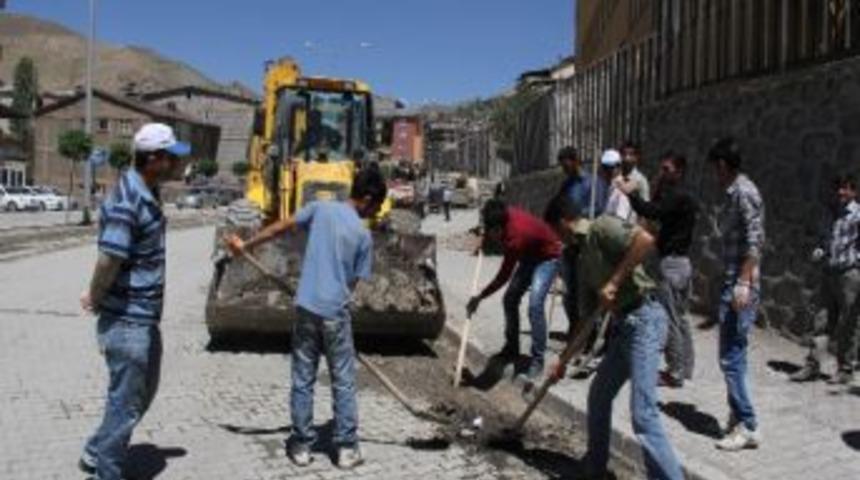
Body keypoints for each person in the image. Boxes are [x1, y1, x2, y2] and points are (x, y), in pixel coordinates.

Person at [225, 168, 387, 469]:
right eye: (376, 207)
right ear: (367, 199)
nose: (375, 213)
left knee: (303, 379)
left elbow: (279, 228)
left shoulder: (320, 209)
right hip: (336, 314)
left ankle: (301, 445)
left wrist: (246, 246)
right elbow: (351, 286)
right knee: (343, 382)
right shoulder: (363, 236)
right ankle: (347, 449)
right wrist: (335, 297)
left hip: (307, 309)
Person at [78, 123, 189, 480]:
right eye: (171, 156)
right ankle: (105, 472)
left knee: (141, 394)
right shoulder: (128, 199)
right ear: (154, 158)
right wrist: (94, 296)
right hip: (127, 321)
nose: (177, 163)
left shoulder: (147, 191)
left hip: (143, 318)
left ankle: (96, 451)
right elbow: (109, 258)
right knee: (125, 405)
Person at [546, 195, 684, 480]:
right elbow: (584, 321)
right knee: (599, 395)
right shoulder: (582, 259)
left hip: (646, 317)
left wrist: (615, 281)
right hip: (624, 328)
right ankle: (595, 468)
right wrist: (562, 360)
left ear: (562, 223)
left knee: (642, 414)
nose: (555, 238)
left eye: (554, 231)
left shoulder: (602, 227)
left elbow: (645, 240)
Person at [622, 152, 699, 388]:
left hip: (673, 265)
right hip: (680, 264)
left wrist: (631, 194)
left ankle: (675, 372)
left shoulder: (678, 197)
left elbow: (652, 212)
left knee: (672, 319)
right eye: (661, 169)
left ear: (679, 171)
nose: (662, 173)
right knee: (681, 318)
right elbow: (656, 207)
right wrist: (655, 186)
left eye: (666, 170)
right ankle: (685, 367)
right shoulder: (679, 196)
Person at [708, 137, 765, 451]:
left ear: (722, 165)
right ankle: (737, 416)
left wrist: (743, 283)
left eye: (714, 169)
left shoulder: (744, 192)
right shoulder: (735, 192)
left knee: (731, 356)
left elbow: (756, 242)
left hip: (741, 284)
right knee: (730, 355)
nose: (714, 176)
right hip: (733, 280)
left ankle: (748, 425)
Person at [467, 199, 562, 379]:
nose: (490, 235)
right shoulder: (502, 217)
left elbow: (504, 276)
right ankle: (512, 348)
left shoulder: (515, 238)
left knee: (535, 305)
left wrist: (480, 297)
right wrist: (483, 239)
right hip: (529, 253)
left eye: (491, 231)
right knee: (509, 299)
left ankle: (537, 359)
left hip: (548, 257)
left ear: (498, 229)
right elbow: (491, 234)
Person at [791, 175, 860, 385]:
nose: (840, 192)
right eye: (839, 188)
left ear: (854, 192)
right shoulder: (831, 212)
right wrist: (820, 249)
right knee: (820, 320)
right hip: (829, 272)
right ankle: (812, 365)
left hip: (849, 275)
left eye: (845, 189)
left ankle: (845, 369)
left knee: (848, 323)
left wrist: (856, 262)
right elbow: (825, 238)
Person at [601, 149, 636, 223]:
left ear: (619, 167)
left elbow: (620, 222)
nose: (608, 171)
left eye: (611, 168)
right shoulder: (607, 187)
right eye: (605, 167)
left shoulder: (622, 190)